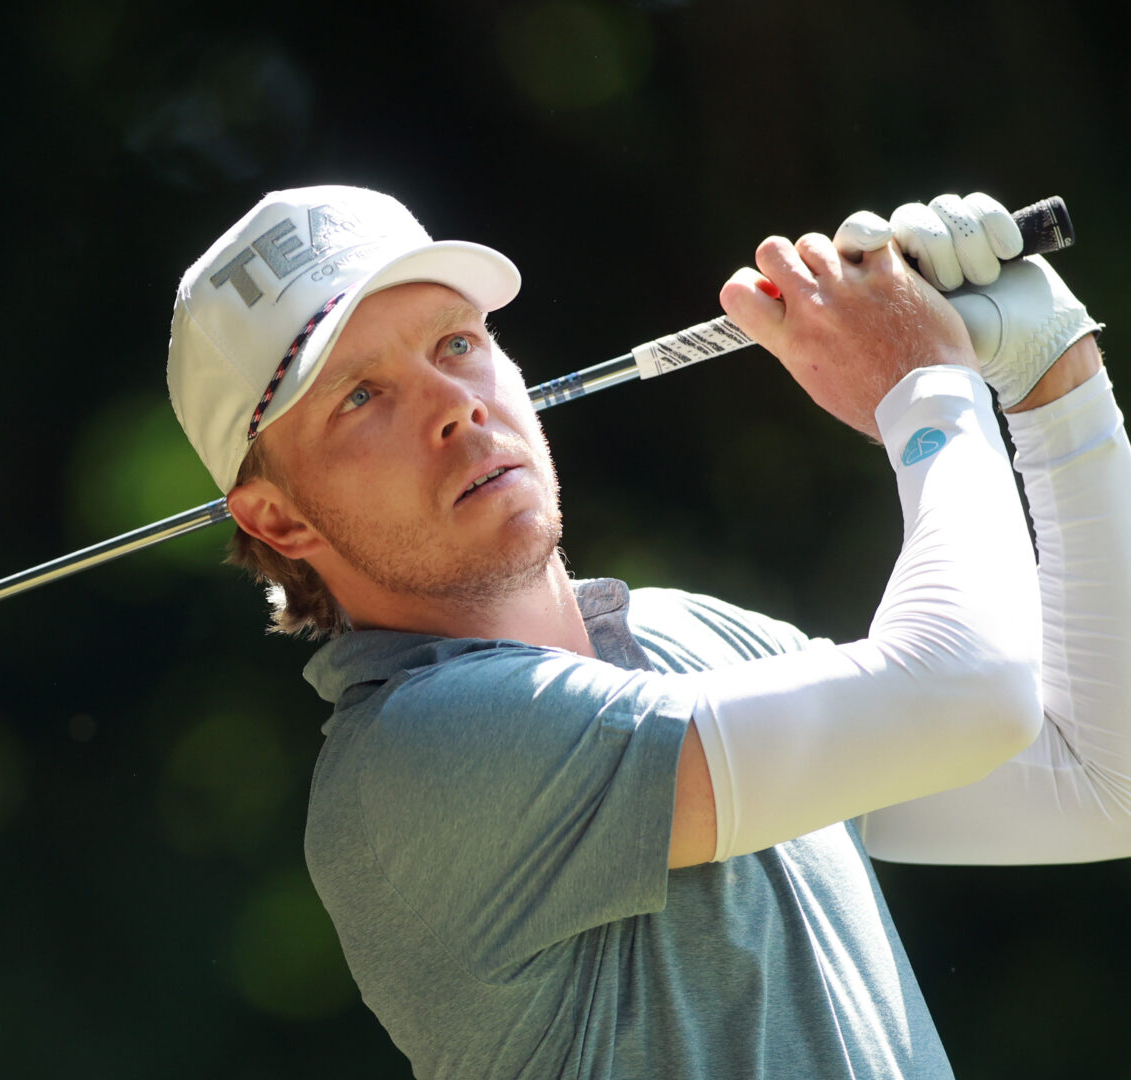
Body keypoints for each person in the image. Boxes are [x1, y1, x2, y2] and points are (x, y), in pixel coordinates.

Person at [164, 185, 1131, 1079]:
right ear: (278, 521)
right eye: (361, 397)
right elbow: (965, 694)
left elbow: (1099, 782)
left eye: (455, 343)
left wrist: (1057, 386)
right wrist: (927, 391)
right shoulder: (420, 756)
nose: (455, 406)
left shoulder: (693, 640)